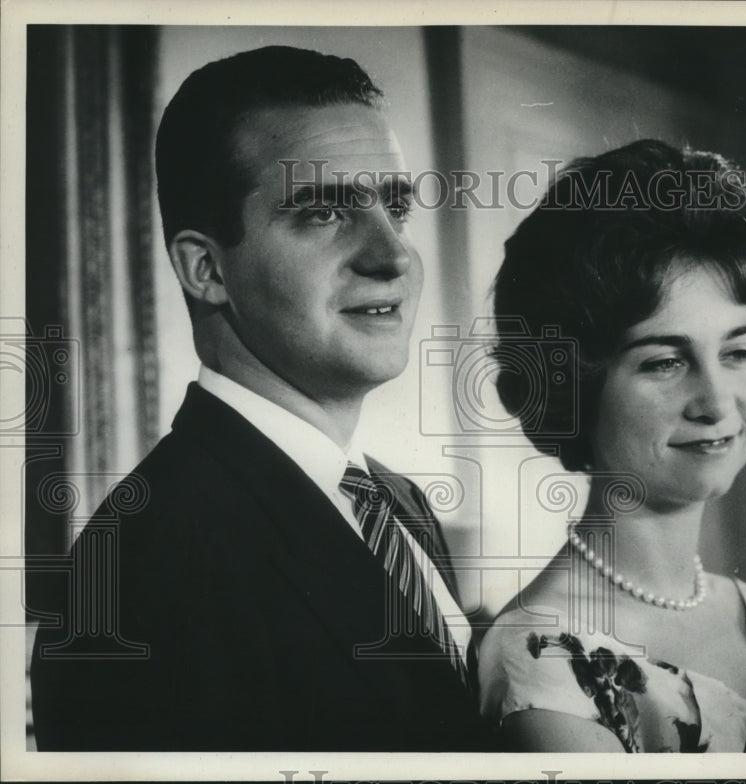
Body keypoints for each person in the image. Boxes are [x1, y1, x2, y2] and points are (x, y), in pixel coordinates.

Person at [30, 46, 483, 751]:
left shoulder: (401, 503)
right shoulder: (135, 566)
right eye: (326, 213)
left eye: (395, 206)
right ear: (206, 268)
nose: (393, 256)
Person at [477, 140, 746, 752]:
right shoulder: (540, 656)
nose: (717, 401)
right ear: (576, 386)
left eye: (738, 352)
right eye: (666, 361)